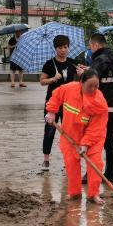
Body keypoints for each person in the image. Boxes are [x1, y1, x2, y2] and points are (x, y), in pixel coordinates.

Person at [45, 69, 108, 204]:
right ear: (81, 83)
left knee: (95, 163)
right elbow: (56, 95)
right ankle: (74, 193)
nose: (93, 89)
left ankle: (93, 194)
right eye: (89, 86)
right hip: (70, 135)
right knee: (71, 163)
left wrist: (86, 144)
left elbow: (96, 127)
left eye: (96, 86)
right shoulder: (69, 89)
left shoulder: (99, 101)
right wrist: (51, 111)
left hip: (94, 138)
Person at [77, 33, 113, 184]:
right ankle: (110, 176)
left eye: (91, 46)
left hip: (101, 107)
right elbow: (105, 75)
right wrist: (90, 68)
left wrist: (83, 73)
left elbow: (93, 81)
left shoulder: (100, 58)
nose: (91, 49)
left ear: (96, 45)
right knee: (109, 141)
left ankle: (91, 174)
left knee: (92, 140)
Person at [40, 35, 77, 171]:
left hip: (69, 104)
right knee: (49, 131)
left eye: (65, 47)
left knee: (69, 132)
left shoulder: (73, 63)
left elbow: (79, 82)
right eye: (60, 47)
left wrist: (83, 73)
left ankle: (68, 160)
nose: (63, 50)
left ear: (68, 47)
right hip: (53, 103)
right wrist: (52, 79)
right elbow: (42, 81)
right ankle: (46, 160)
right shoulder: (49, 64)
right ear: (55, 49)